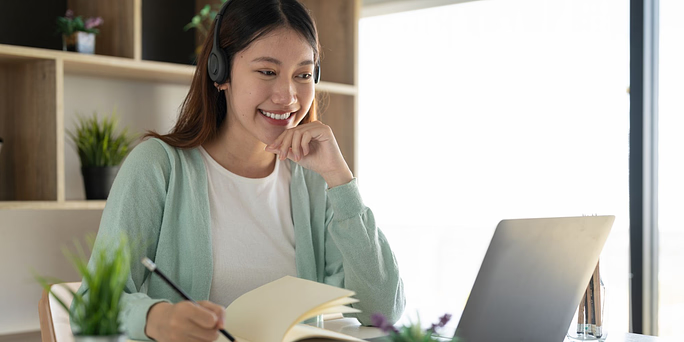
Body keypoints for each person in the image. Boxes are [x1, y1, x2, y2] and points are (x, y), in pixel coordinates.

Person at [75, 0, 405, 341]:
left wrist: (341, 179)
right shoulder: (158, 167)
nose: (288, 96)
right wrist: (157, 319)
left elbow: (382, 308)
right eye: (267, 71)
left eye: (303, 75)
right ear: (220, 73)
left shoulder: (313, 181)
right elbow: (91, 305)